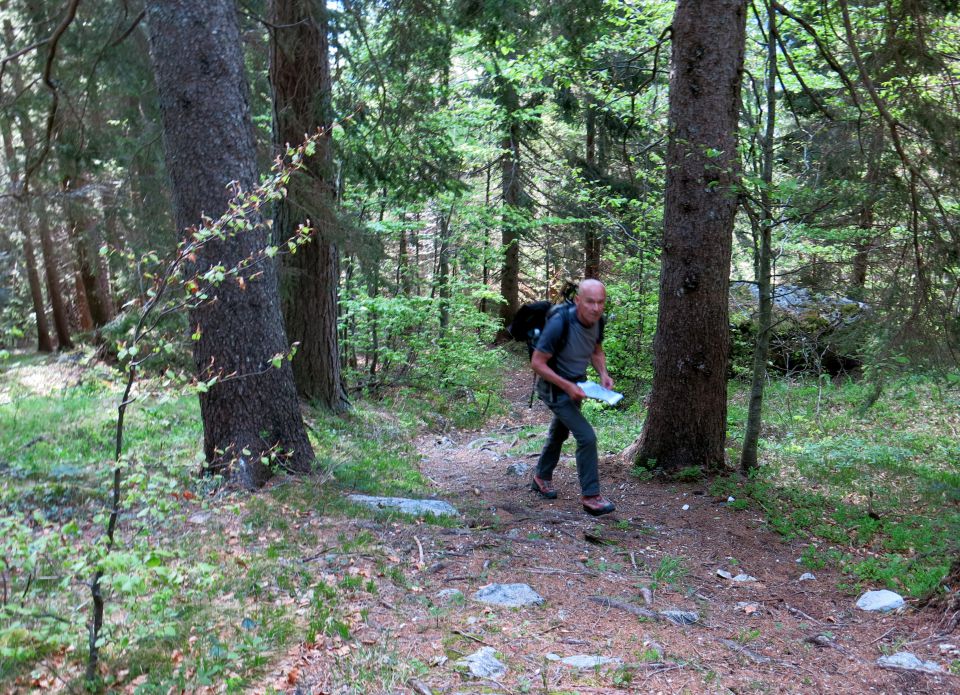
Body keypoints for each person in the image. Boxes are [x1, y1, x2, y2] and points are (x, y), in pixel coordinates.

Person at [529, 279, 616, 516]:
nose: (596, 308)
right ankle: (591, 496)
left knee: (559, 432)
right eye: (590, 302)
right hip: (554, 388)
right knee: (587, 437)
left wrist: (603, 375)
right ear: (578, 300)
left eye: (600, 302)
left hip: (577, 385)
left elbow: (596, 351)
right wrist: (566, 385)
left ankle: (541, 476)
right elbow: (537, 363)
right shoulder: (560, 323)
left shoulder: (599, 321)